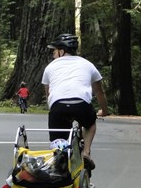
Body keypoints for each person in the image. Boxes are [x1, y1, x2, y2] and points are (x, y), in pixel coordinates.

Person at [41, 34, 109, 171]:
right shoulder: (88, 64)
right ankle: (86, 152)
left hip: (58, 106)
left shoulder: (50, 67)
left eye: (54, 51)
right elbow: (99, 92)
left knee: (58, 142)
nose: (53, 55)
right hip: (81, 105)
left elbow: (48, 94)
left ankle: (59, 163)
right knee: (90, 124)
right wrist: (104, 111)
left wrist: (55, 109)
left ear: (61, 51)